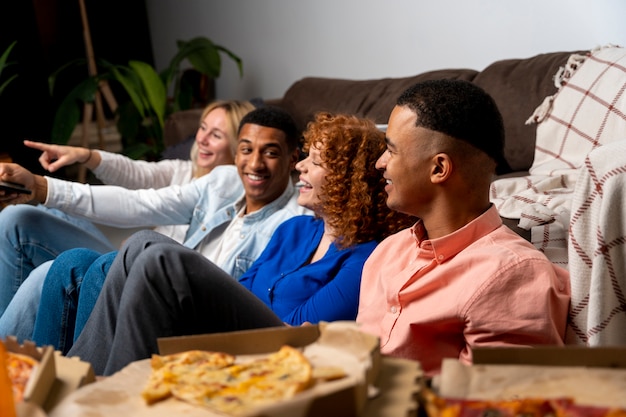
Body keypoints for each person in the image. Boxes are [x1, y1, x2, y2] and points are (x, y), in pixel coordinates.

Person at [61, 112, 415, 375]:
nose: (301, 168)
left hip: (279, 349)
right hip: (234, 334)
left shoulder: (366, 258)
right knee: (137, 246)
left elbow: (301, 331)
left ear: (345, 181)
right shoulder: (293, 230)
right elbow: (239, 289)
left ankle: (111, 401)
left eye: (316, 161)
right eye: (304, 157)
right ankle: (79, 382)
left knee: (159, 259)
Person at [0, 106, 307, 344]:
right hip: (150, 271)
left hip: (186, 308)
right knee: (24, 223)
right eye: (246, 149)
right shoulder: (223, 180)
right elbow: (142, 202)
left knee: (53, 273)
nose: (254, 164)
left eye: (270, 153)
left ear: (294, 158)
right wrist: (41, 187)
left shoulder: (296, 223)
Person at [354, 79, 571, 376]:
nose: (380, 163)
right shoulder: (387, 253)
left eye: (391, 151)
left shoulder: (511, 273)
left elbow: (498, 402)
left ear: (439, 169)